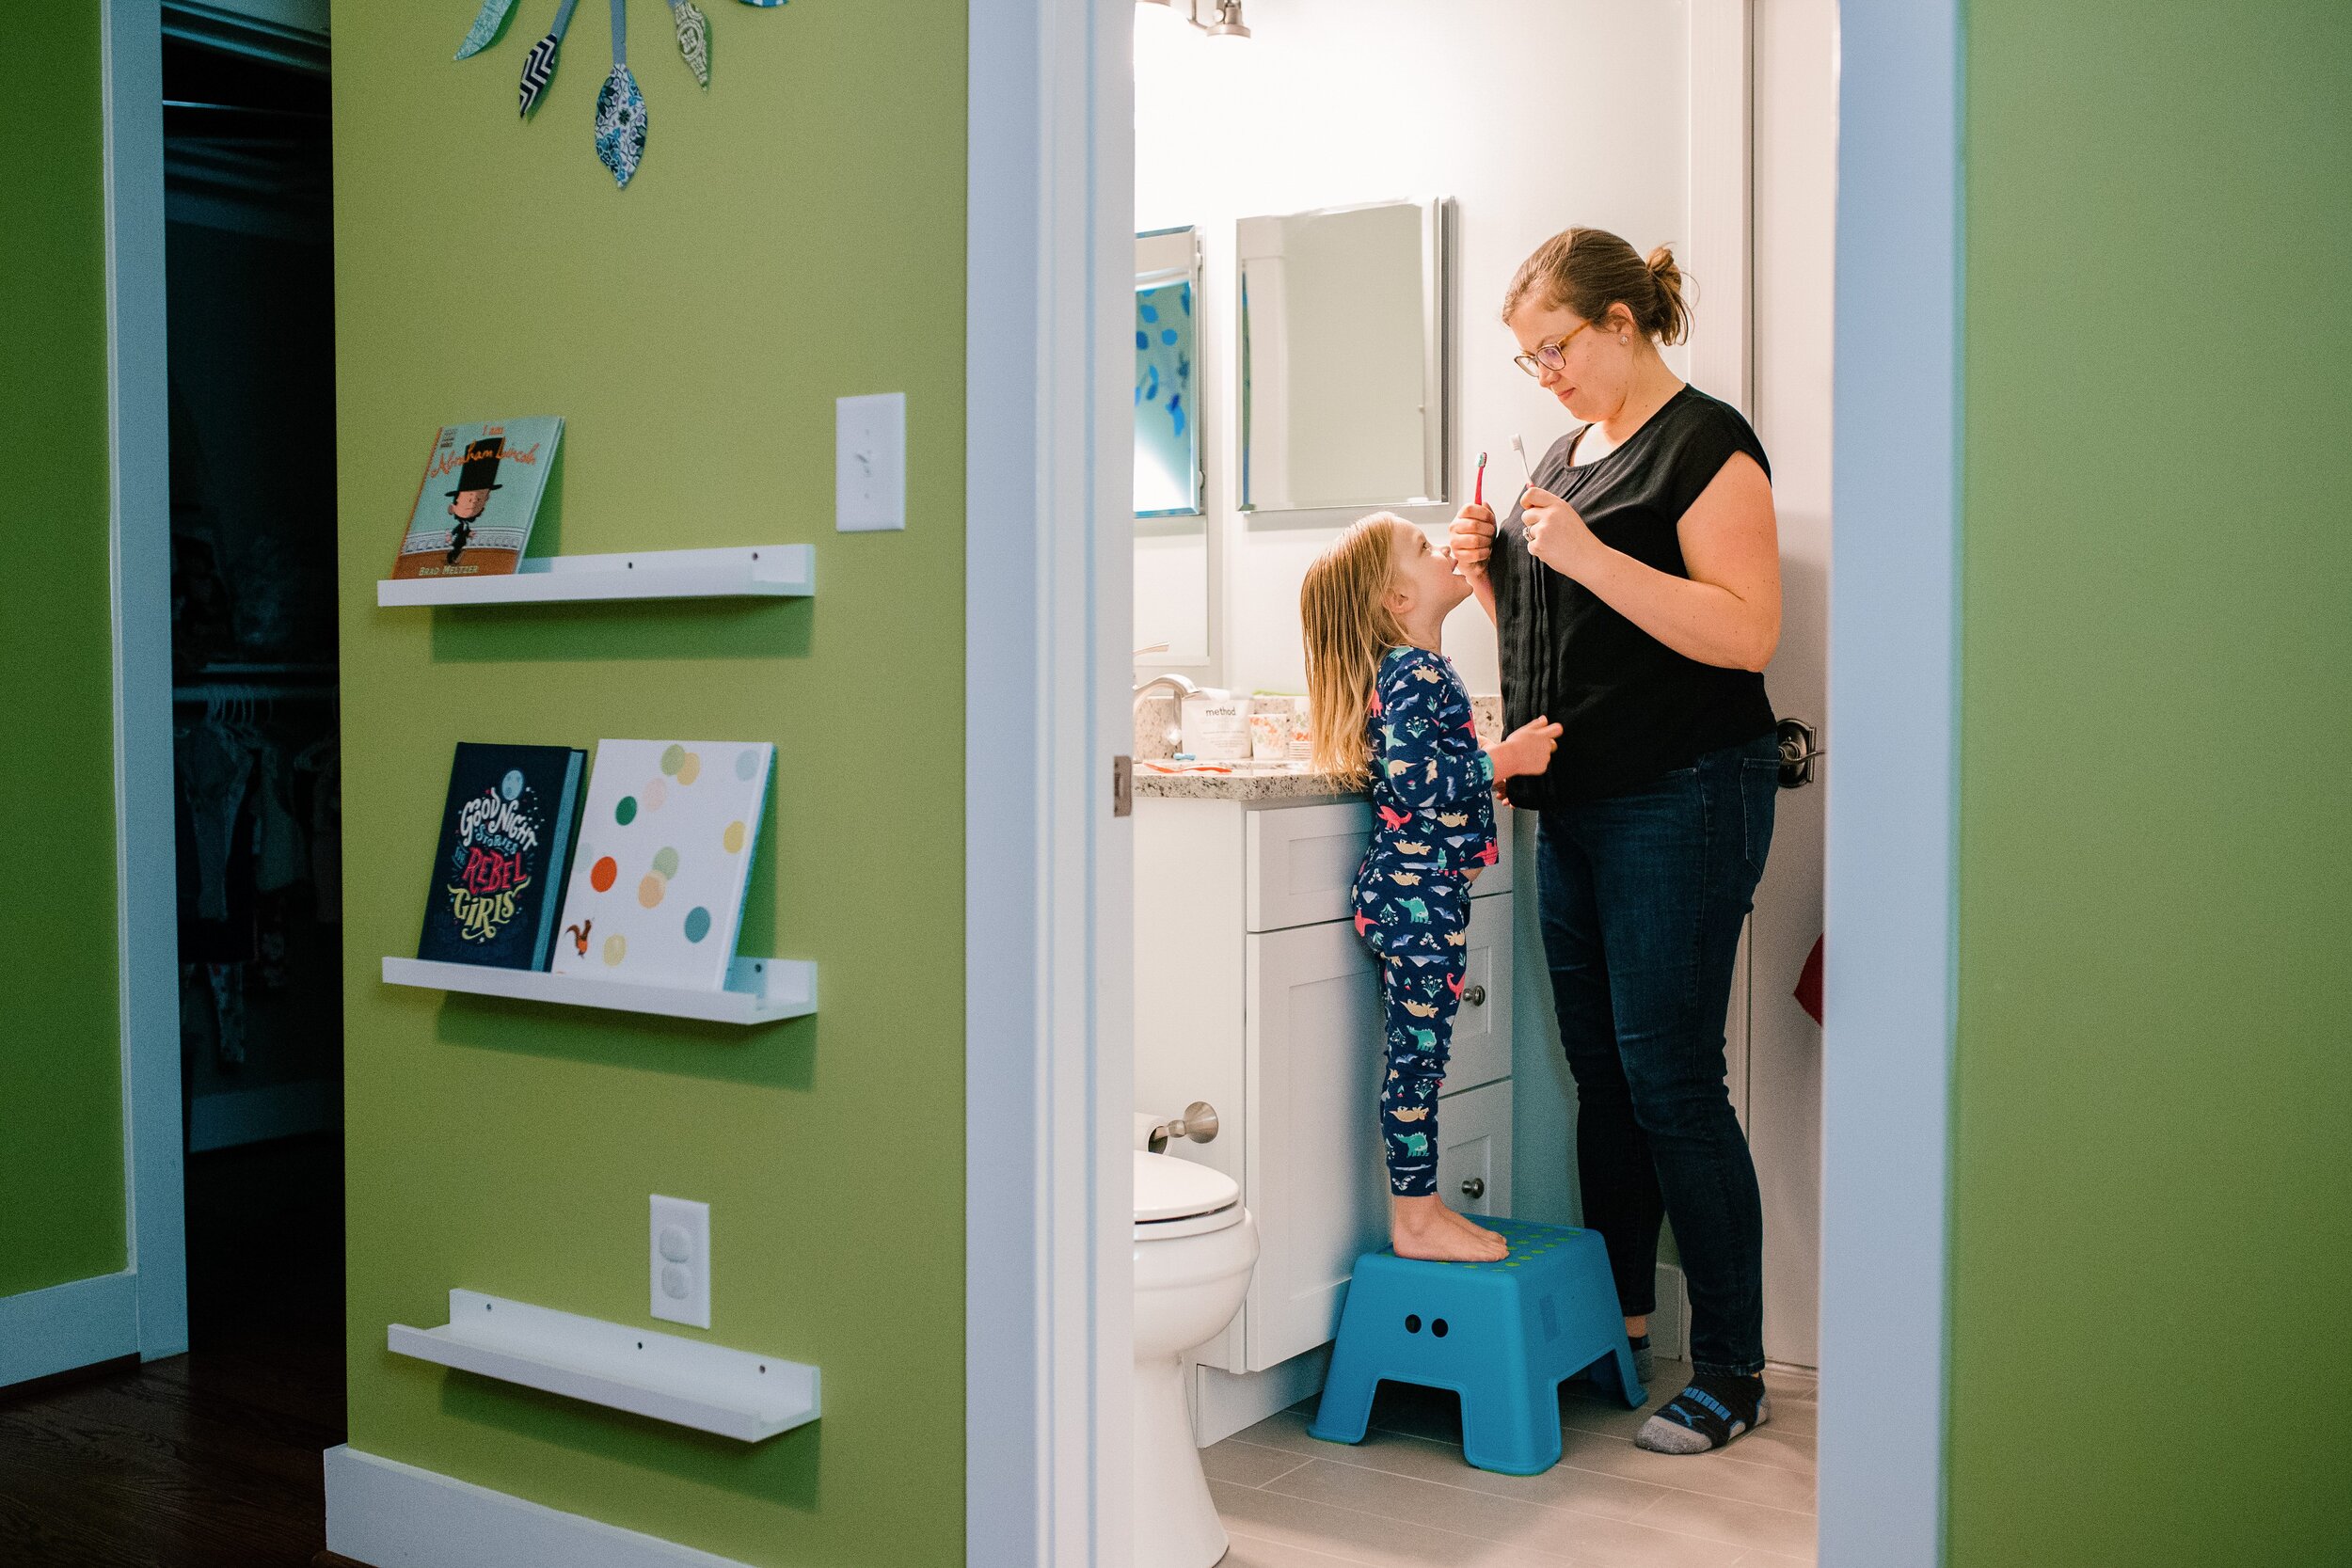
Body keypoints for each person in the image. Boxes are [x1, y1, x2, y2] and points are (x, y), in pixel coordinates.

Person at [1449, 228, 1785, 1454]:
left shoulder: (1709, 444)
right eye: (1528, 358)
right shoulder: (1560, 454)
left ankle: (1735, 1370)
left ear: (1622, 323)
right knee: (1604, 1078)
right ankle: (1624, 1329)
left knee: (1673, 1080)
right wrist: (1494, 580)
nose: (1543, 374)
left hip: (1684, 790)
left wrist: (1581, 550)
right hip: (1578, 802)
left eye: (1555, 347)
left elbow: (1747, 632)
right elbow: (1580, 641)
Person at [1300, 515, 1562, 1263]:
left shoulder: (1418, 670)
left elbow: (1427, 785)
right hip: (1415, 901)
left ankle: (1424, 1207)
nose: (1439, 546)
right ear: (1395, 599)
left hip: (1424, 897)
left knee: (1424, 1060)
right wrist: (1501, 759)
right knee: (1418, 1063)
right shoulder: (1412, 672)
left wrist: (1483, 789)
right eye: (1420, 547)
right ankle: (1415, 1219)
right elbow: (1412, 785)